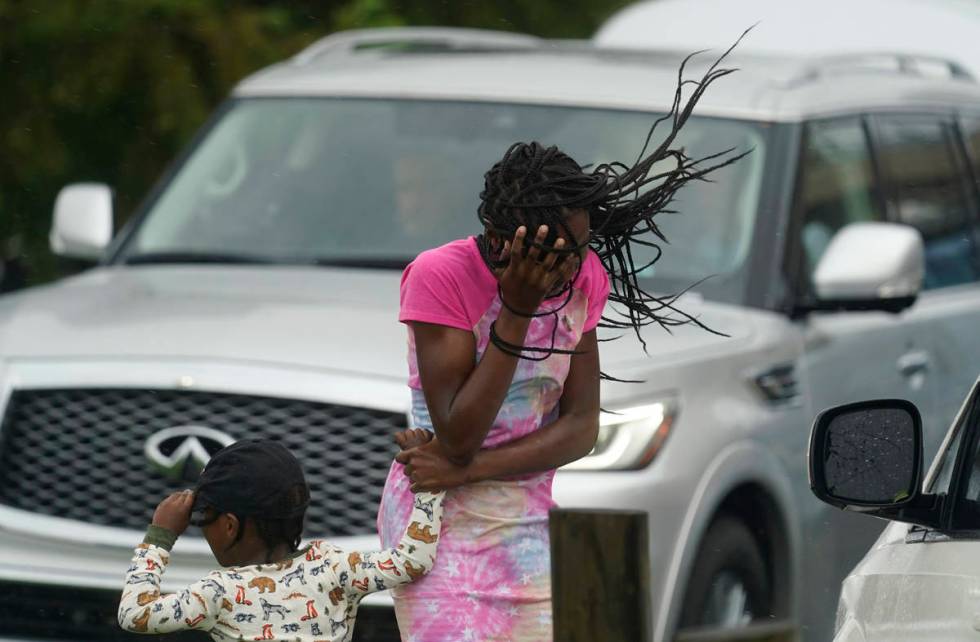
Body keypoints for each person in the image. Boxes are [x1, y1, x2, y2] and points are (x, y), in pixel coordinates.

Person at [377, 43, 749, 642]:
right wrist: (517, 312)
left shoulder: (585, 279)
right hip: (436, 531)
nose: (578, 265)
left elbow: (579, 428)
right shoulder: (440, 276)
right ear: (506, 238)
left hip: (523, 527)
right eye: (562, 248)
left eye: (583, 245)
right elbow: (458, 434)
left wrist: (468, 472)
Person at [118, 431, 443, 642]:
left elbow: (134, 615)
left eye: (202, 518)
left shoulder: (219, 592)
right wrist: (429, 481)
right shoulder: (334, 567)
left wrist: (159, 538)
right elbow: (413, 560)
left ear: (230, 525)